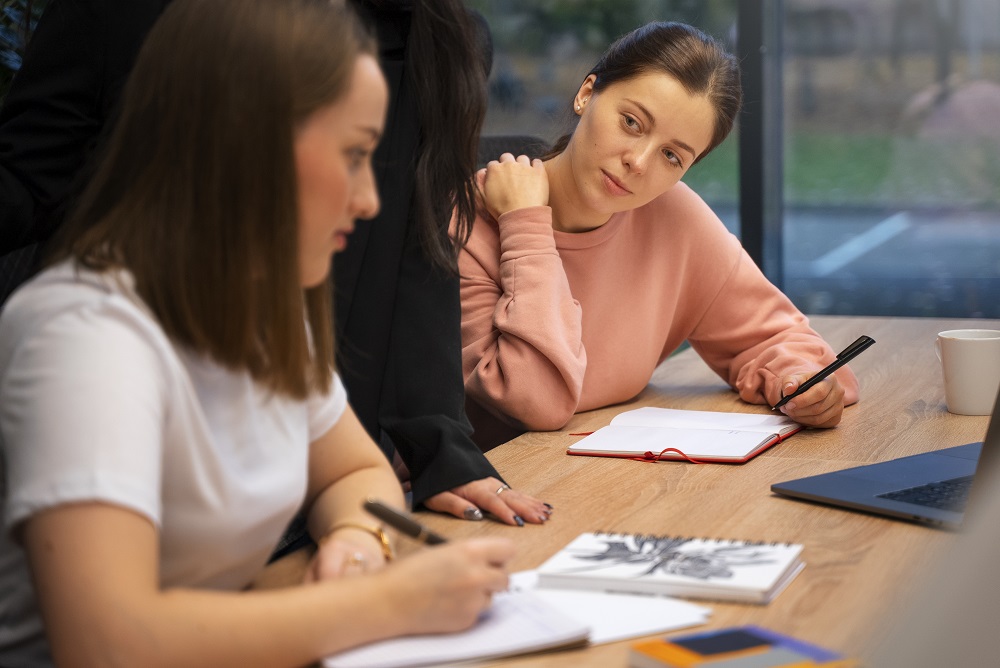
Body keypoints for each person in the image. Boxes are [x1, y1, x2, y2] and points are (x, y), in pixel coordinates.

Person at [0, 0, 514, 664]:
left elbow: (354, 470)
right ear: (249, 145)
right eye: (354, 155)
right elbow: (107, 643)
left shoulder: (260, 311)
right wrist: (385, 602)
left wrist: (359, 541)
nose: (369, 200)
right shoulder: (87, 339)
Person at [458, 21, 861, 450]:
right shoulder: (466, 221)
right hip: (476, 491)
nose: (639, 161)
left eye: (672, 155)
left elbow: (780, 340)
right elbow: (537, 401)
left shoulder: (673, 218)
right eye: (631, 122)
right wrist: (525, 225)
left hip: (598, 480)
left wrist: (798, 382)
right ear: (586, 93)